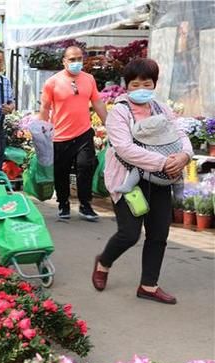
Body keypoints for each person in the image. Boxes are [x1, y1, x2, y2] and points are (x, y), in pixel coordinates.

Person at [92, 58, 193, 304]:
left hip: (160, 181)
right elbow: (125, 149)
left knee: (159, 233)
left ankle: (148, 286)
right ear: (127, 86)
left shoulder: (162, 109)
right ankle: (104, 262)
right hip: (129, 181)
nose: (140, 89)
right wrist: (163, 163)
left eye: (146, 83)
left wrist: (184, 155)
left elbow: (180, 134)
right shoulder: (119, 112)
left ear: (154, 84)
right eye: (134, 84)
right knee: (129, 234)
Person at [38, 45, 107, 222]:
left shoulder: (89, 79)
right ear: (64, 61)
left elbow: (98, 103)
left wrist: (111, 124)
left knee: (86, 167)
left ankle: (85, 205)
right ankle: (63, 204)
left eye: (79, 59)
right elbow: (45, 108)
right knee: (61, 172)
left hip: (84, 133)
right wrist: (42, 131)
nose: (76, 63)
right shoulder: (52, 82)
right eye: (72, 59)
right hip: (60, 135)